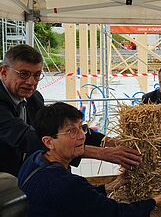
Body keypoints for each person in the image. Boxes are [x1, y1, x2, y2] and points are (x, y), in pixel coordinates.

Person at [6, 102, 161, 217]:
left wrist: (109, 187)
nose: (82, 136)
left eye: (81, 128)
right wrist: (153, 202)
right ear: (49, 142)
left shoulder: (35, 160)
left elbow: (73, 202)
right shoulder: (63, 183)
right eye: (71, 131)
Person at [0, 44, 142, 176]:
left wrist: (115, 143)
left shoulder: (34, 98)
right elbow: (28, 139)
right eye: (23, 74)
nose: (31, 82)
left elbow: (57, 128)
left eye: (37, 75)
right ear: (4, 71)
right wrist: (101, 153)